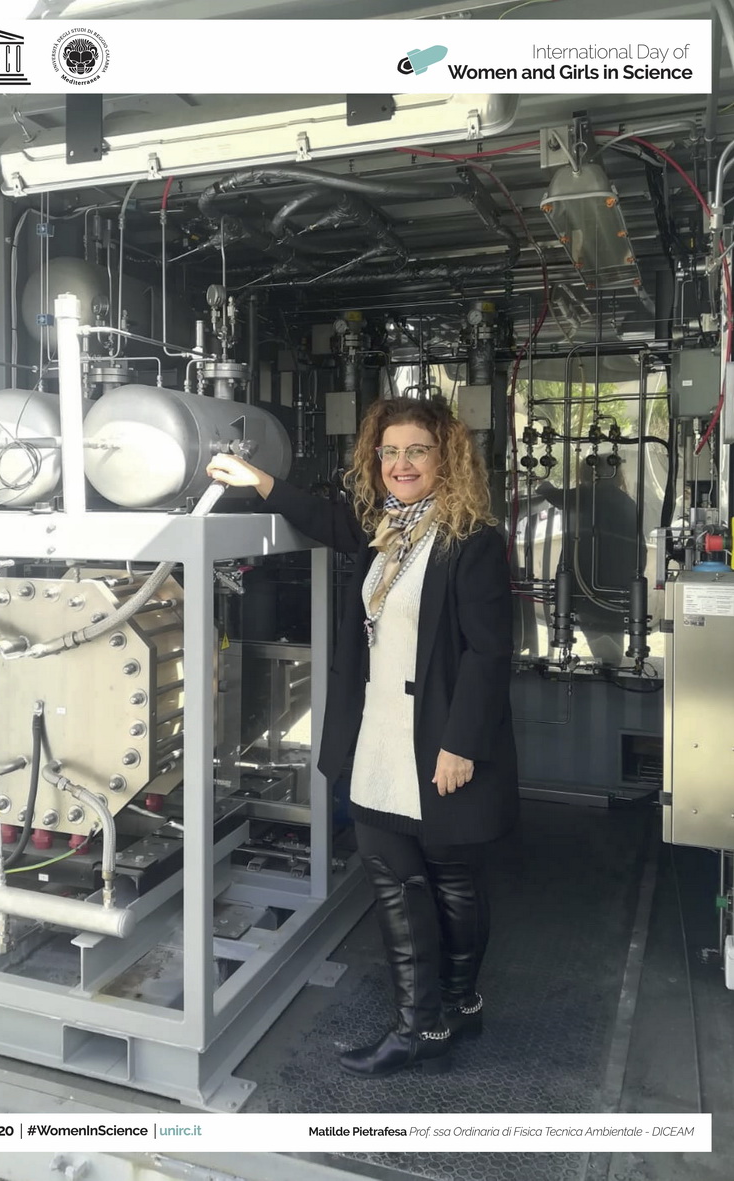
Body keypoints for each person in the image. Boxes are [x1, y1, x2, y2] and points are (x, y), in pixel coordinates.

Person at [206, 396, 518, 1078]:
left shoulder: (469, 540)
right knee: (394, 878)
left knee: (453, 878)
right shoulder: (385, 528)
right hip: (379, 735)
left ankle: (460, 1003)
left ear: (446, 458)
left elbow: (489, 652)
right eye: (389, 452)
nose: (400, 464)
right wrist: (259, 480)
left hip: (438, 739)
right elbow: (324, 519)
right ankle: (420, 1024)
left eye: (416, 451)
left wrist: (461, 744)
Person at [535, 455, 638, 664]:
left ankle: (608, 667)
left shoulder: (586, 495)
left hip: (587, 582)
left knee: (597, 632)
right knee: (612, 632)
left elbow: (558, 497)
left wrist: (543, 485)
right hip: (618, 584)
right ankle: (612, 666)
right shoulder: (626, 501)